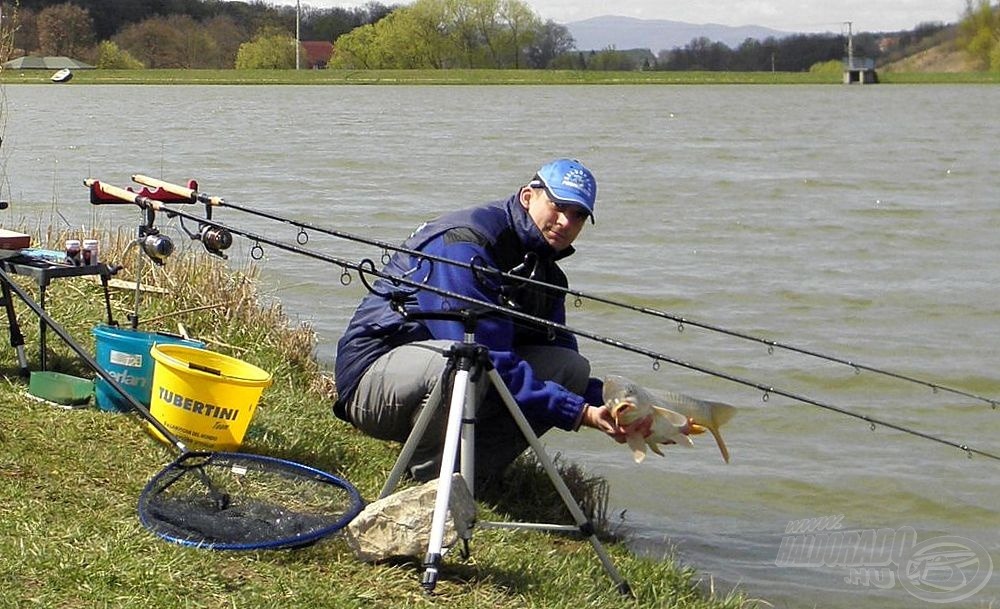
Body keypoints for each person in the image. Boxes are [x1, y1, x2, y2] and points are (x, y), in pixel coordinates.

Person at [333, 158, 623, 490]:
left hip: (452, 374)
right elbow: (488, 357)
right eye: (559, 205)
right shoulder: (466, 243)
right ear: (528, 196)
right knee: (465, 363)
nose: (565, 221)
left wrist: (616, 406)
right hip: (371, 381)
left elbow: (554, 353)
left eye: (578, 215)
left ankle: (473, 472)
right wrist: (579, 413)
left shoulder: (547, 274)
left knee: (570, 368)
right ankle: (429, 479)